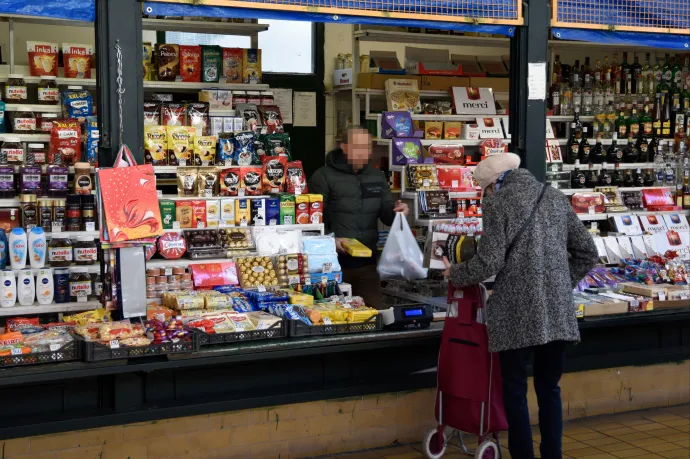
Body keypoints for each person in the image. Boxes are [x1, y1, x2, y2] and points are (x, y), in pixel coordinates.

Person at [443, 153, 598, 459]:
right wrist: (558, 284)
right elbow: (587, 252)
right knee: (549, 390)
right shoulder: (554, 197)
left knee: (514, 391)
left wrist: (455, 273)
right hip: (557, 312)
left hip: (515, 312)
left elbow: (490, 261)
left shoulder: (497, 203)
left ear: (492, 185)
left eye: (484, 189)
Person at [310, 127, 409, 309]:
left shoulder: (377, 177)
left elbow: (387, 216)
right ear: (344, 147)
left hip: (367, 264)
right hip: (332, 265)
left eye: (368, 147)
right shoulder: (323, 177)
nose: (365, 153)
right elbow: (313, 220)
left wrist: (398, 212)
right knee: (333, 315)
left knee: (375, 314)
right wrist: (331, 240)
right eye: (359, 147)